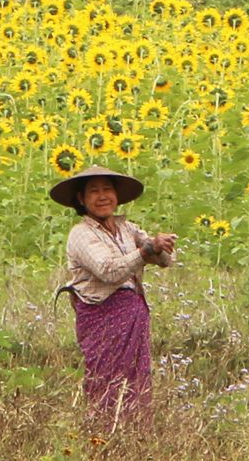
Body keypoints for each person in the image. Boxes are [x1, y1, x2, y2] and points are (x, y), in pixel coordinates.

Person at [50, 165, 177, 432]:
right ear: (81, 200)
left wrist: (160, 246)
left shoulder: (126, 228)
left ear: (117, 195)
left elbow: (166, 260)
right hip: (102, 314)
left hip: (132, 313)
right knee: (105, 377)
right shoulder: (81, 234)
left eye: (107, 189)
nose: (102, 196)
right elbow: (109, 270)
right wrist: (145, 252)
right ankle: (103, 433)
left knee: (135, 375)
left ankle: (135, 432)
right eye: (93, 191)